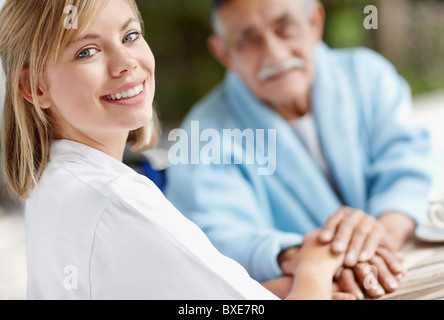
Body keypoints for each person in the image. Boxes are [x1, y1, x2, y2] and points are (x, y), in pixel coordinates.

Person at [0, 0, 350, 300]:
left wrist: (282, 287)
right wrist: (315, 266)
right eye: (86, 51)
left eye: (130, 36)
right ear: (34, 87)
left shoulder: (54, 183)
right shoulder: (119, 201)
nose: (125, 62)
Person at [165, 0, 434, 299]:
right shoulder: (203, 133)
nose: (275, 54)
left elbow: (408, 167)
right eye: (248, 39)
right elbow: (214, 236)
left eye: (286, 28)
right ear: (224, 52)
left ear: (315, 22)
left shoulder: (368, 75)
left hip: (396, 264)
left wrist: (380, 236)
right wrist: (311, 259)